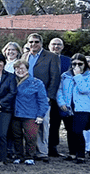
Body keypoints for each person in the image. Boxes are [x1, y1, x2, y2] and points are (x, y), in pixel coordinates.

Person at [24, 33, 62, 162]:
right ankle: (30, 151)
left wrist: (49, 96)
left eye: (36, 42)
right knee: (28, 124)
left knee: (43, 124)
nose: (33, 44)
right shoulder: (25, 56)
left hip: (43, 97)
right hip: (26, 97)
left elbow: (55, 78)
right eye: (31, 42)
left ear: (41, 43)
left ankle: (42, 152)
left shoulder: (51, 57)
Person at [56, 53, 90, 163]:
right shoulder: (65, 75)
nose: (76, 66)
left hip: (82, 108)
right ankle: (72, 153)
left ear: (85, 64)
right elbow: (59, 90)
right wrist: (61, 103)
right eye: (74, 64)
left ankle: (81, 155)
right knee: (70, 131)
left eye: (80, 64)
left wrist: (78, 76)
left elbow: (85, 89)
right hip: (68, 107)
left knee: (78, 131)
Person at [10, 58, 48, 165]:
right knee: (16, 136)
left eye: (22, 68)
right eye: (17, 68)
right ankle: (18, 155)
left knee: (30, 136)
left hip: (30, 114)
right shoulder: (11, 81)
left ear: (27, 69)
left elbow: (43, 101)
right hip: (15, 114)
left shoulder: (36, 83)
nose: (19, 70)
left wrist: (41, 115)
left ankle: (30, 156)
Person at [47, 37, 71, 157]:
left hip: (64, 97)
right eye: (53, 44)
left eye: (59, 44)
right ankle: (50, 147)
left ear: (62, 47)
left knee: (63, 123)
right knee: (51, 123)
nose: (56, 46)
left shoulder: (68, 61)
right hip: (48, 95)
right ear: (49, 46)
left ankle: (68, 148)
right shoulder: (44, 59)